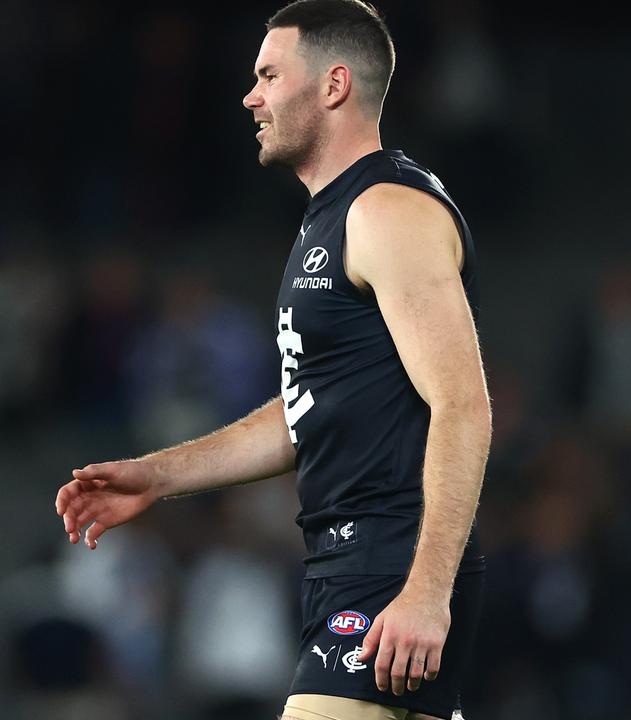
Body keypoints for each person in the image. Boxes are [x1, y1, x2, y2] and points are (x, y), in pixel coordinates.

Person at [53, 2, 491, 718]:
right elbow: (304, 415)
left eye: (268, 74)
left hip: (389, 567)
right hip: (351, 565)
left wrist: (426, 590)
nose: (250, 96)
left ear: (333, 85)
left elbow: (463, 403)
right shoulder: (331, 218)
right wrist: (156, 477)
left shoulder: (387, 212)